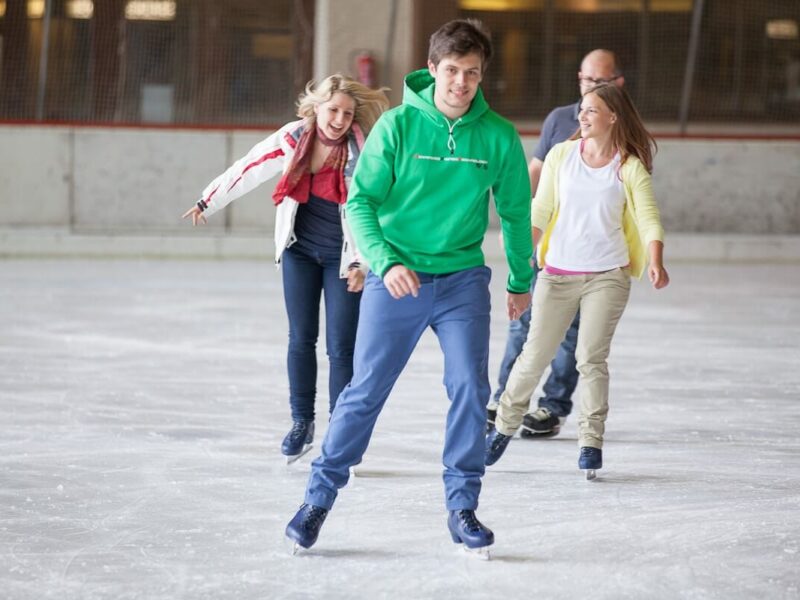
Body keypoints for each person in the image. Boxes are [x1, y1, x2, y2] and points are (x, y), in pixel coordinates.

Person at [285, 19, 533, 557]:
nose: (461, 83)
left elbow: (515, 214)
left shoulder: (499, 137)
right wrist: (383, 261)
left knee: (470, 387)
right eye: (452, 71)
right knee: (366, 389)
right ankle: (317, 500)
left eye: (471, 73)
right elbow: (361, 202)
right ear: (433, 68)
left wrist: (520, 279)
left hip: (463, 280)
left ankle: (462, 507)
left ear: (481, 75)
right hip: (397, 278)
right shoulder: (396, 127)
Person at [182, 75, 389, 463]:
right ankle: (301, 422)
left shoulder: (365, 151)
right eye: (332, 110)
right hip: (299, 251)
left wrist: (364, 261)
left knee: (341, 349)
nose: (339, 119)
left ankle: (339, 433)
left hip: (344, 260)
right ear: (316, 108)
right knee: (300, 338)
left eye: (347, 113)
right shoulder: (293, 138)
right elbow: (250, 167)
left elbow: (376, 207)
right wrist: (208, 200)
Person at [485, 82, 669, 479]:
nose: (581, 116)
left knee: (590, 359)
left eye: (590, 110)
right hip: (557, 275)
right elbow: (542, 210)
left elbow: (648, 217)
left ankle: (590, 442)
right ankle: (502, 427)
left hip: (607, 277)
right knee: (534, 355)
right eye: (581, 110)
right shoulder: (561, 155)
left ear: (612, 117)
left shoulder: (628, 166)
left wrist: (655, 260)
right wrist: (520, 264)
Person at [487, 49, 626, 439]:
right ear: (578, 78)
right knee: (524, 325)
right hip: (549, 248)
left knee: (572, 334)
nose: (591, 89)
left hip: (593, 257)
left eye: (600, 81)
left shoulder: (621, 127)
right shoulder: (559, 120)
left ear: (617, 83)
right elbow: (537, 171)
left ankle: (553, 405)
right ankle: (503, 398)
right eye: (586, 80)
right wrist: (518, 224)